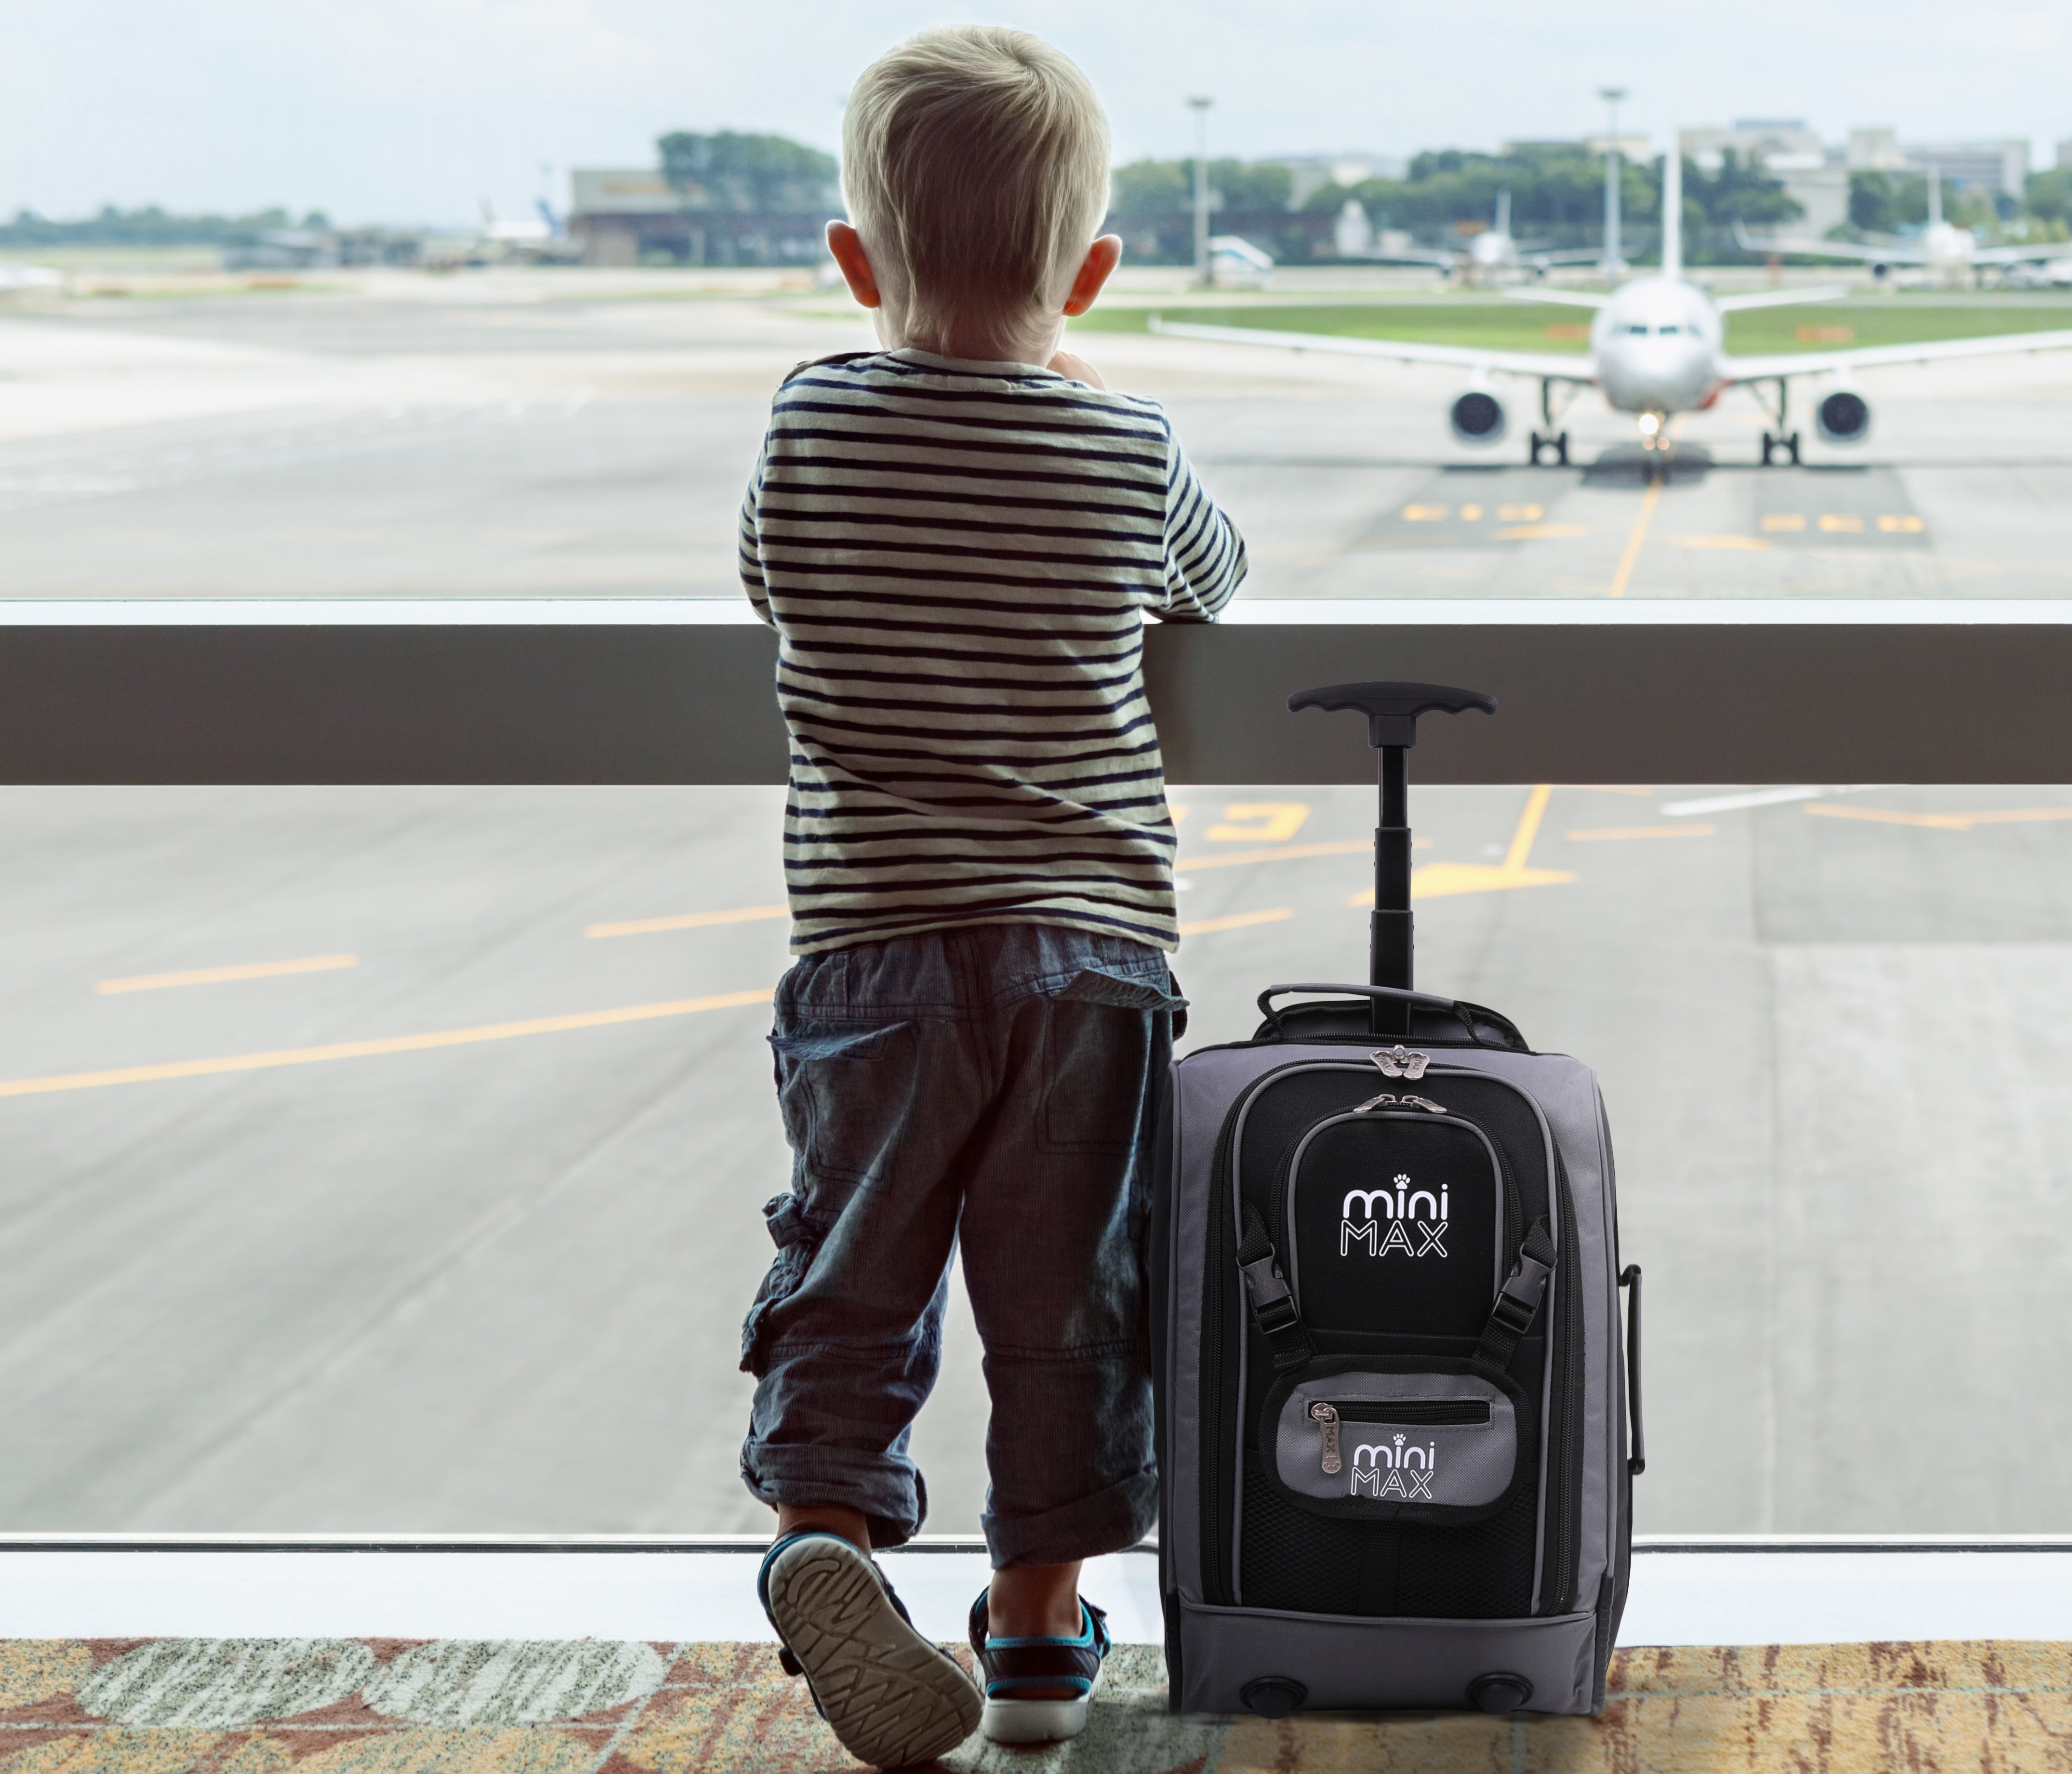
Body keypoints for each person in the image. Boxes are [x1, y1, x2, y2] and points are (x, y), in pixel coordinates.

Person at [732, 25, 1243, 1765]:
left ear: (852, 261)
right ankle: (1034, 1625)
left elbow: (765, 573)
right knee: (1066, 1294)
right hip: (1087, 949)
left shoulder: (811, 418)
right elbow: (1217, 580)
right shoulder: (1126, 442)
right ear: (1088, 273)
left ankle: (824, 1526)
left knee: (854, 1260)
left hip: (871, 942)